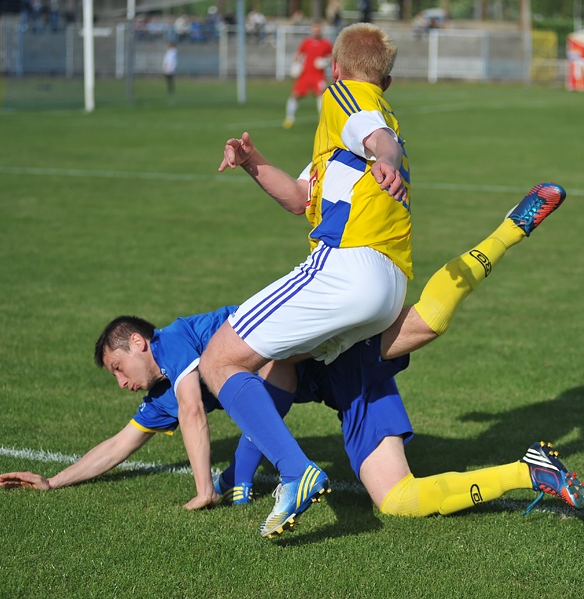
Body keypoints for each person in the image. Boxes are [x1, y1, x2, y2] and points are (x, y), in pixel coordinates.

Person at [0, 175, 576, 535]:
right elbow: (119, 444)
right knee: (400, 499)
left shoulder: (177, 343)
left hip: (324, 342)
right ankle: (530, 471)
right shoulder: (161, 393)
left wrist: (214, 486)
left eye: (119, 368)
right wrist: (53, 482)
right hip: (340, 378)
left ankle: (508, 230)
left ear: (140, 343)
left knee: (402, 330)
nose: (122, 383)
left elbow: (220, 401)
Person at [198, 23, 412, 539]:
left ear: (335, 69)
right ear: (389, 79)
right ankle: (242, 476)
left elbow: (376, 136)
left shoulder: (344, 96)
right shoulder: (346, 141)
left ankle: (295, 471)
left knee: (218, 360)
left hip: (347, 266)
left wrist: (385, 157)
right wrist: (254, 164)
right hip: (389, 284)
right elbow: (300, 198)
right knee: (280, 359)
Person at [283, 21, 333, 129]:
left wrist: (325, 61)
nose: (316, 31)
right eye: (315, 28)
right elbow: (298, 54)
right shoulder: (306, 42)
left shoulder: (326, 43)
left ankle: (322, 121)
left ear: (321, 30)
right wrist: (296, 65)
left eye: (318, 29)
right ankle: (289, 118)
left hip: (318, 75)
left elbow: (332, 57)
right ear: (312, 29)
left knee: (321, 96)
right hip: (305, 74)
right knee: (295, 95)